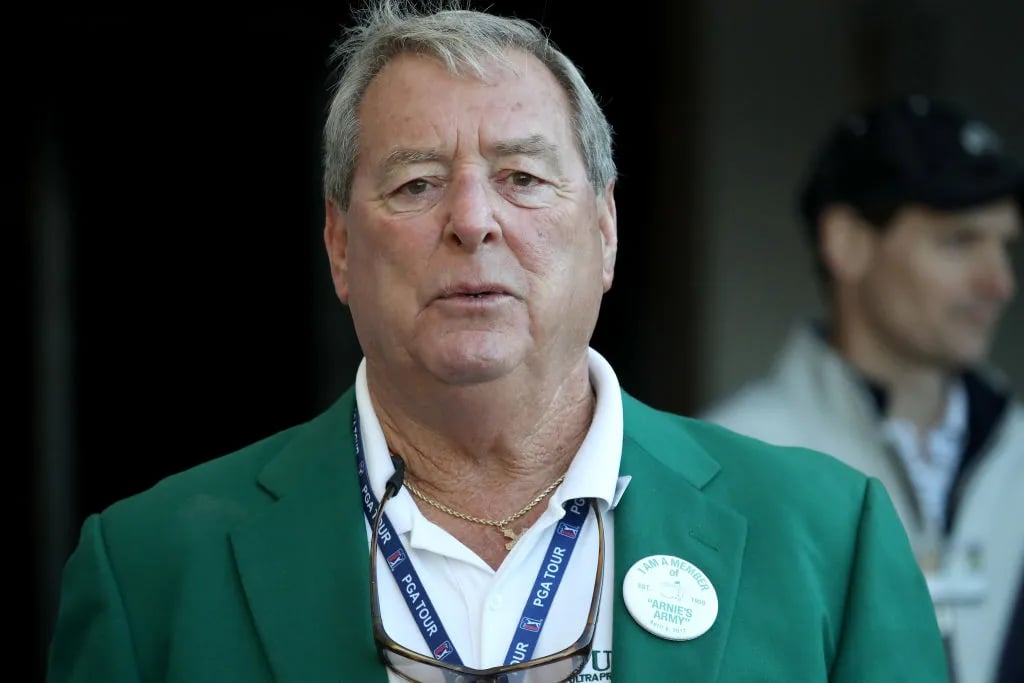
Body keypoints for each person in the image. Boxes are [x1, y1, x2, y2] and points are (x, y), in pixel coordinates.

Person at [46, 3, 947, 681]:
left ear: (605, 230)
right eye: (415, 184)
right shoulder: (152, 570)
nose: (473, 221)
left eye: (521, 176)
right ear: (339, 246)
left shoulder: (829, 538)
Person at [704, 95, 1024, 683]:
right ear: (847, 243)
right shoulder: (731, 458)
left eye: (1004, 246)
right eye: (959, 241)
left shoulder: (1018, 451)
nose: (998, 282)